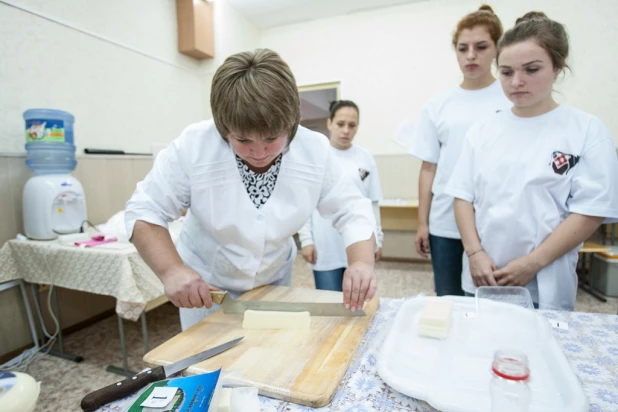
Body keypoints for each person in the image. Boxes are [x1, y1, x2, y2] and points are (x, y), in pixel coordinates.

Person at [125, 49, 378, 330]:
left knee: (268, 351)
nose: (259, 153)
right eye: (243, 140)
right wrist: (171, 270)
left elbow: (352, 209)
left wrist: (361, 263)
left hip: (273, 278)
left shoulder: (315, 150)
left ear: (292, 124)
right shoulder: (193, 146)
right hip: (206, 284)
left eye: (272, 139)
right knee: (209, 361)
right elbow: (145, 210)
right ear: (224, 128)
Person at [445, 12, 618, 310]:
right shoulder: (483, 130)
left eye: (531, 69)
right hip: (482, 276)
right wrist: (475, 254)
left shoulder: (585, 130)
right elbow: (462, 197)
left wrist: (532, 264)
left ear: (557, 68)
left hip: (544, 282)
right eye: (507, 72)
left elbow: (591, 211)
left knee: (538, 354)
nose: (517, 82)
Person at [408, 5, 510, 296]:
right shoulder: (439, 105)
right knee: (449, 300)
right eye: (462, 48)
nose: (471, 55)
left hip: (495, 219)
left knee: (490, 301)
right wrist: (422, 223)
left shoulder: (511, 97)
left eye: (480, 47)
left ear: (497, 48)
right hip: (446, 221)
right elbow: (429, 168)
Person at [298, 100, 384, 291]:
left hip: (359, 243)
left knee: (355, 302)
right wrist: (307, 240)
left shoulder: (365, 158)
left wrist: (377, 238)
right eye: (340, 124)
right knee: (330, 306)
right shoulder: (316, 156)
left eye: (352, 125)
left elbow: (372, 202)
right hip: (325, 245)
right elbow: (304, 204)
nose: (346, 130)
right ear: (329, 123)